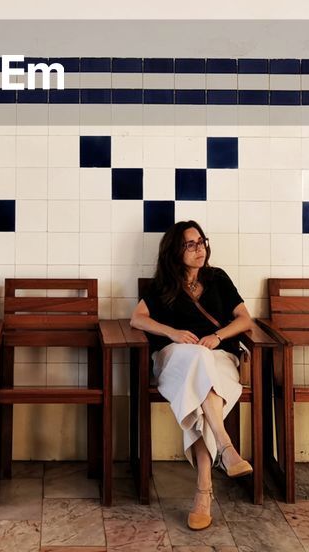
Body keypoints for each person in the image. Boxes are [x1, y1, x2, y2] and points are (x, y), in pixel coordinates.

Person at [129, 220, 255, 530]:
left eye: (202, 242)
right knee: (197, 368)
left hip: (218, 358)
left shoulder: (218, 278)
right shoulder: (163, 285)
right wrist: (172, 332)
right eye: (191, 244)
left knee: (200, 388)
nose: (200, 249)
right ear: (175, 251)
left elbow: (245, 320)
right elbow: (137, 319)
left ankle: (203, 489)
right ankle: (225, 449)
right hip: (176, 361)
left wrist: (218, 336)